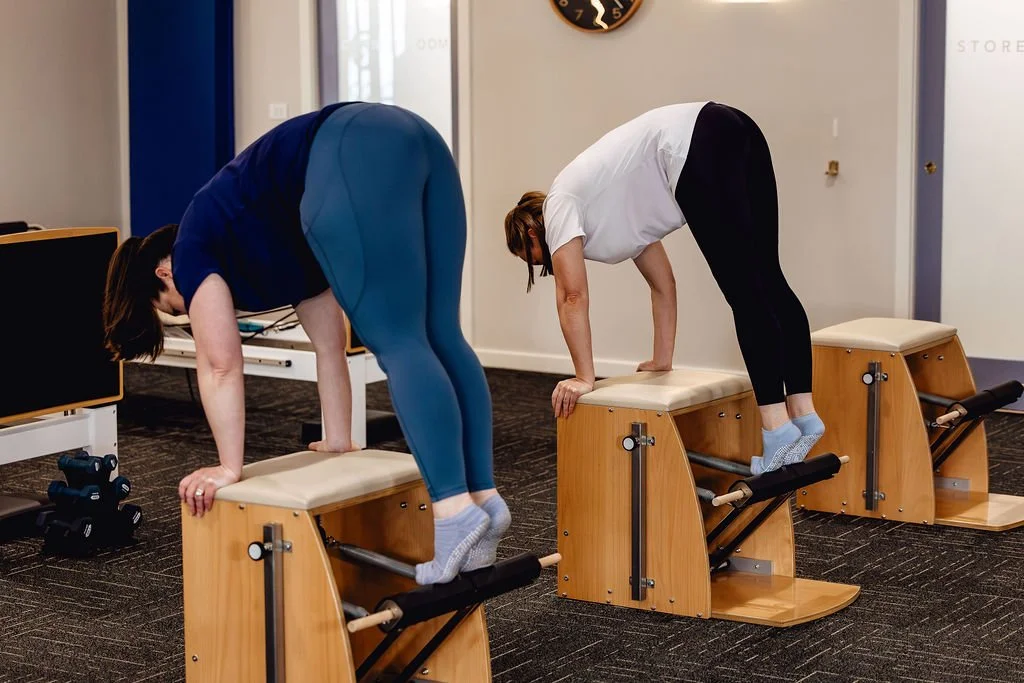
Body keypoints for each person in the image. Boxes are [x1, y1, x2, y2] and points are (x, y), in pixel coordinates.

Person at [103, 102, 509, 585]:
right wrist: (337, 439)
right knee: (441, 334)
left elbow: (221, 366)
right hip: (413, 135)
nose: (191, 311)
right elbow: (329, 348)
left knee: (400, 342)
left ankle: (454, 511)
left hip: (347, 151)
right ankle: (484, 499)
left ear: (164, 274)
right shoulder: (272, 237)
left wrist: (229, 468)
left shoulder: (192, 251)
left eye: (175, 307)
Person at [504, 101, 825, 475]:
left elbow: (572, 296)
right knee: (768, 279)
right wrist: (662, 359)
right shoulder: (609, 209)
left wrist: (583, 377)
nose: (541, 266)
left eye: (532, 258)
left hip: (695, 144)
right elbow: (663, 285)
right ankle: (804, 414)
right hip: (733, 125)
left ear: (532, 233)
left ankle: (777, 428)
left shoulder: (559, 205)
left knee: (746, 293)